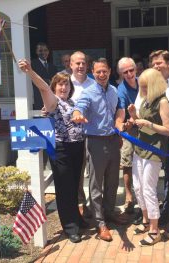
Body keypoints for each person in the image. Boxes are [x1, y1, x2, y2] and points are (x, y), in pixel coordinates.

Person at [18, 59, 87, 243]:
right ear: (54, 87)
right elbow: (43, 88)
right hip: (61, 149)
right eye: (60, 84)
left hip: (77, 147)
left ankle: (77, 218)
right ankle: (70, 227)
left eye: (66, 84)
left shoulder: (71, 101)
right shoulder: (53, 101)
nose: (64, 87)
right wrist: (30, 71)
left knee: (73, 186)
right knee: (65, 188)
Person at [72, 58, 127, 242]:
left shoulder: (113, 91)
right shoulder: (88, 93)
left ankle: (109, 212)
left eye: (104, 71)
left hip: (113, 141)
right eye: (98, 72)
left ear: (110, 71)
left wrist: (119, 122)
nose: (101, 75)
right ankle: (100, 222)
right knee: (96, 185)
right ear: (92, 73)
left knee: (112, 181)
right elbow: (80, 107)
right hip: (95, 142)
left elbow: (119, 109)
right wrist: (77, 114)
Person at [127, 68, 169, 246]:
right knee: (137, 187)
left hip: (154, 150)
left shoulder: (162, 102)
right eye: (141, 87)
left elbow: (167, 130)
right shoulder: (146, 100)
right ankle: (146, 220)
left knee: (148, 189)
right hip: (140, 147)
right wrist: (134, 116)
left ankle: (155, 230)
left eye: (145, 87)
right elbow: (142, 124)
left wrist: (148, 123)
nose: (142, 90)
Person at [149, 50, 169, 227]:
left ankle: (166, 213)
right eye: (153, 64)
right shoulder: (150, 85)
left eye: (159, 63)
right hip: (153, 137)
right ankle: (150, 212)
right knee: (150, 176)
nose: (156, 66)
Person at [70, 51, 95, 218]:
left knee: (94, 171)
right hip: (72, 136)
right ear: (70, 65)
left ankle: (95, 205)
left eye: (83, 63)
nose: (80, 66)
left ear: (87, 65)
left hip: (92, 133)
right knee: (77, 170)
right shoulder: (64, 83)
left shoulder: (93, 84)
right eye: (77, 63)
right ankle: (80, 202)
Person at [115, 57, 139, 214]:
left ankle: (144, 195)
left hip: (147, 127)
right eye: (125, 72)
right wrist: (122, 125)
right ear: (121, 73)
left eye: (131, 70)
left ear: (136, 69)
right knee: (127, 162)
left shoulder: (144, 82)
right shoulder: (121, 89)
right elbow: (121, 112)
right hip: (130, 129)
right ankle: (129, 197)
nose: (129, 74)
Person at [31, 42, 58, 110]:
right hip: (39, 98)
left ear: (48, 52)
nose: (43, 53)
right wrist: (48, 81)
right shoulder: (32, 64)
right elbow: (34, 79)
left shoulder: (53, 67)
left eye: (45, 50)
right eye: (40, 51)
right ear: (36, 52)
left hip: (52, 97)